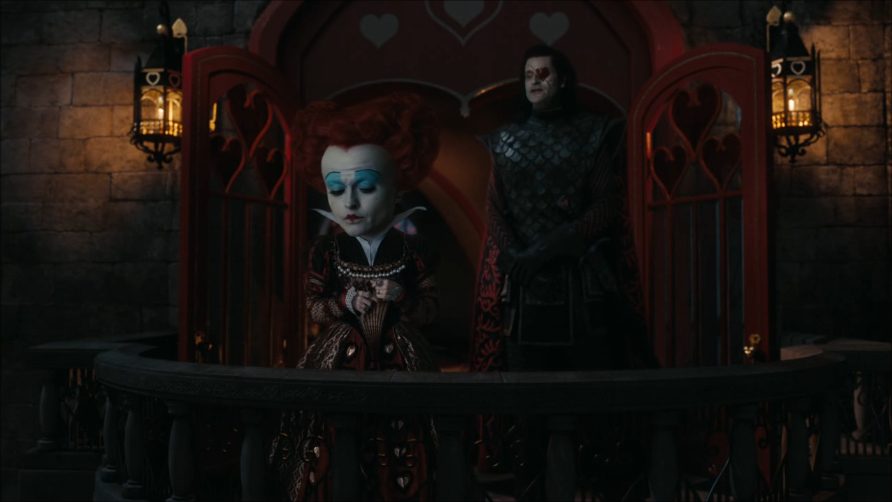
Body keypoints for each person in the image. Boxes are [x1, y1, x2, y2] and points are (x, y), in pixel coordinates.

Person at [469, 45, 657, 500]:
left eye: (544, 74)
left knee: (596, 405)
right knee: (526, 411)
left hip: (582, 289)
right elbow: (495, 207)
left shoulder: (592, 134)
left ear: (563, 80)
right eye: (529, 75)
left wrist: (547, 248)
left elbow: (605, 206)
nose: (535, 82)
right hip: (524, 294)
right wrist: (517, 255)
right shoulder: (505, 141)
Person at [269, 93, 441, 501]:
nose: (349, 202)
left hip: (402, 366)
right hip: (338, 362)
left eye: (365, 187)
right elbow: (314, 306)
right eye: (335, 189)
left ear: (397, 188)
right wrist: (345, 303)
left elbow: (431, 309)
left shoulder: (414, 250)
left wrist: (401, 298)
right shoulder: (325, 251)